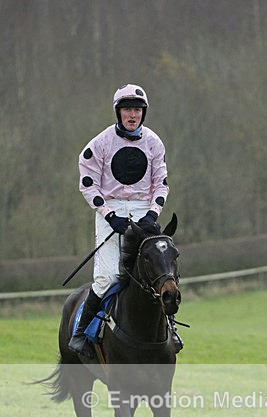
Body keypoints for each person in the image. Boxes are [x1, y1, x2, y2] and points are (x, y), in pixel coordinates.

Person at [69, 83, 171, 356]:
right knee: (107, 277)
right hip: (110, 211)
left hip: (142, 211)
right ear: (118, 112)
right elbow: (88, 183)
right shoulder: (99, 144)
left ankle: (170, 329)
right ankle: (80, 332)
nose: (132, 114)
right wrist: (109, 215)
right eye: (127, 109)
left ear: (143, 113)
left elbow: (161, 184)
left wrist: (152, 214)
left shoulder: (154, 143)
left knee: (159, 271)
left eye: (137, 109)